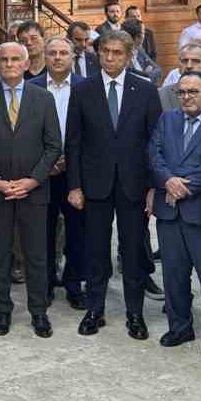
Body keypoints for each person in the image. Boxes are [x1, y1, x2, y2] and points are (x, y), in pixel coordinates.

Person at [66, 28, 162, 339]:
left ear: (130, 54)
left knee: (133, 250)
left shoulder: (146, 90)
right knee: (95, 250)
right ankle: (95, 309)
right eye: (105, 51)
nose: (109, 58)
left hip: (134, 185)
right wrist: (75, 186)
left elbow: (154, 142)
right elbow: (74, 143)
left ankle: (135, 313)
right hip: (95, 185)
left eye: (117, 53)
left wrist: (152, 187)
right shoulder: (83, 90)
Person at [0, 43, 62, 337]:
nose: (9, 64)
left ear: (25, 64)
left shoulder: (43, 98)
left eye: (15, 59)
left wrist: (33, 180)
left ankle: (38, 312)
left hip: (33, 191)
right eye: (3, 59)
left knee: (36, 254)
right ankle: (2, 311)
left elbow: (53, 145)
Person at [148, 71, 201, 354]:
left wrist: (184, 186)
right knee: (173, 275)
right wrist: (168, 180)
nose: (186, 97)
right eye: (182, 92)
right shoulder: (168, 118)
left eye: (193, 91)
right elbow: (154, 154)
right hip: (169, 212)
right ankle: (179, 327)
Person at [30, 36, 86, 308]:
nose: (57, 58)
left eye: (64, 53)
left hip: (77, 173)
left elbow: (92, 133)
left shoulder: (86, 87)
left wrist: (72, 163)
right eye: (52, 53)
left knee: (77, 231)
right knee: (43, 231)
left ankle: (74, 284)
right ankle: (47, 283)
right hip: (43, 171)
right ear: (44, 55)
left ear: (72, 57)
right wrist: (45, 162)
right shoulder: (31, 87)